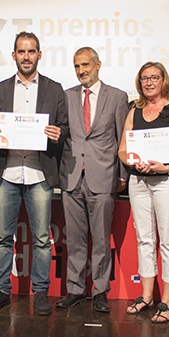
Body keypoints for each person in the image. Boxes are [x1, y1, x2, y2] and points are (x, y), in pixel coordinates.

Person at [0, 31, 68, 315]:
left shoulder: (55, 89)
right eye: (21, 51)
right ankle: (2, 290)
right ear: (14, 55)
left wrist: (58, 133)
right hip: (6, 172)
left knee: (42, 238)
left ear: (39, 55)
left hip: (39, 173)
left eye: (31, 51)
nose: (26, 56)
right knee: (4, 236)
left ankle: (40, 292)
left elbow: (64, 127)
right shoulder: (0, 88)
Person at [117, 61, 169, 323]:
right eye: (144, 78)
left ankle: (168, 301)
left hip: (168, 181)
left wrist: (167, 165)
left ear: (163, 80)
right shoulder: (134, 111)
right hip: (138, 182)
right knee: (145, 240)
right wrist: (132, 162)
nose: (149, 82)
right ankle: (147, 296)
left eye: (154, 77)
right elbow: (123, 150)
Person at [55, 47, 129, 313]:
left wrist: (123, 174)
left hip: (104, 175)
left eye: (85, 65)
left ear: (98, 64)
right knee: (74, 240)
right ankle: (74, 290)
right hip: (72, 176)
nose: (81, 71)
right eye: (76, 66)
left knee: (100, 239)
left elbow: (123, 138)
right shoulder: (65, 96)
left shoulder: (118, 97)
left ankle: (100, 291)